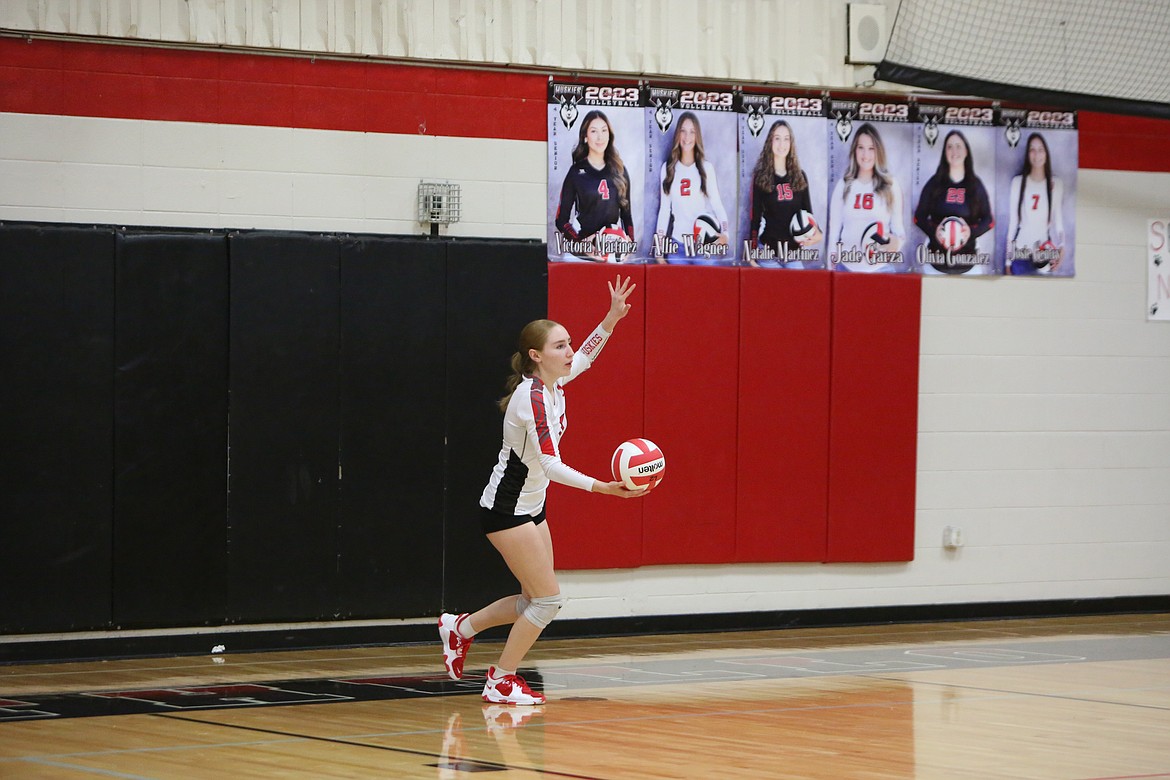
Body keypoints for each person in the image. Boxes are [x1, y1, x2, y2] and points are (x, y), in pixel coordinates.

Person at [438, 276, 649, 706]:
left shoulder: (554, 386)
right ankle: (501, 679)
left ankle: (460, 628)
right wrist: (604, 488)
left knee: (534, 598)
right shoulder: (530, 399)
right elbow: (550, 464)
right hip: (505, 510)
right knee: (548, 601)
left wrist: (610, 318)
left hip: (531, 506)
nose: (570, 351)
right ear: (536, 356)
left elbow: (587, 357)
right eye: (560, 346)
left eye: (568, 343)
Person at [554, 110, 635, 262]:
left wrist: (629, 242)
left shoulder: (620, 170)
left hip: (611, 252)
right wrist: (582, 244)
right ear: (585, 136)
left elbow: (626, 215)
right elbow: (561, 220)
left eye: (604, 130)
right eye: (594, 131)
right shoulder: (576, 172)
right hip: (581, 256)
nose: (600, 137)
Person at [912, 130, 994, 275]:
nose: (954, 151)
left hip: (968, 263)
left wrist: (971, 232)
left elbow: (989, 220)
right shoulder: (935, 183)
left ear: (966, 151)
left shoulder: (975, 185)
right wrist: (934, 231)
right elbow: (918, 217)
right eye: (949, 147)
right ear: (944, 152)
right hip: (936, 262)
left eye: (958, 146)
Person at [654, 112, 730, 264]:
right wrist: (659, 249)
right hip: (677, 246)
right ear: (677, 134)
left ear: (697, 136)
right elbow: (664, 210)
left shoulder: (706, 168)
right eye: (683, 131)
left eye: (692, 132)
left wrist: (726, 234)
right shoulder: (668, 169)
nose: (687, 137)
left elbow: (717, 204)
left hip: (702, 247)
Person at [829, 122, 906, 272]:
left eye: (871, 149)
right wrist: (832, 270)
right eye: (861, 148)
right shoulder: (843, 185)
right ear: (854, 151)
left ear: (878, 152)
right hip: (847, 267)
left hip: (881, 268)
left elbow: (899, 231)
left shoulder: (890, 185)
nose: (866, 155)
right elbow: (834, 233)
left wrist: (896, 243)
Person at [748, 120, 823, 268]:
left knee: (798, 291)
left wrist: (817, 234)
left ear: (791, 143)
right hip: (768, 253)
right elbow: (755, 218)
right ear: (770, 141)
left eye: (786, 139)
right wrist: (752, 254)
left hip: (793, 253)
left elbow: (808, 213)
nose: (782, 144)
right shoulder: (761, 177)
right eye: (777, 138)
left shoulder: (800, 176)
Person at [1005, 132, 1065, 275]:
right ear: (1027, 154)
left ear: (1046, 153)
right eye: (1032, 149)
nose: (1036, 154)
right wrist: (1007, 262)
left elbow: (1058, 223)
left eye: (1040, 149)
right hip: (1020, 253)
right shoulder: (1018, 183)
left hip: (1043, 256)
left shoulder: (1056, 184)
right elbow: (1013, 224)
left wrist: (1062, 246)